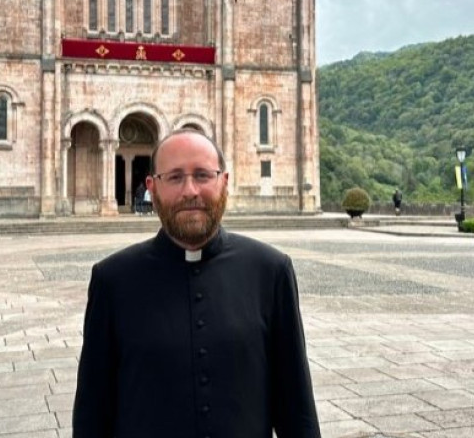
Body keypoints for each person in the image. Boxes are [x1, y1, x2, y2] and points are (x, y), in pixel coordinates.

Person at [73, 129, 321, 438]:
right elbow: (92, 412)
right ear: (152, 187)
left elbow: (296, 408)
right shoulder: (112, 280)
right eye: (174, 177)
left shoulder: (270, 271)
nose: (190, 190)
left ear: (224, 182)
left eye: (203, 175)